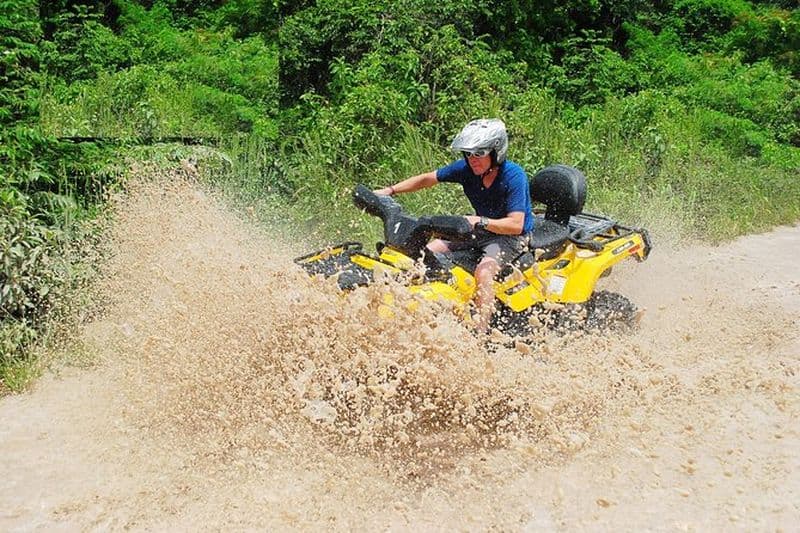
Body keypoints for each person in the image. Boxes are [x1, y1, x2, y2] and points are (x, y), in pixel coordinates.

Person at [374, 118, 534, 333]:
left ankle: (480, 332)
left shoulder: (514, 176)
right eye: (468, 154)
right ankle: (399, 306)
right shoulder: (467, 169)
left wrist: (481, 221)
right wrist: (390, 191)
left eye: (479, 153)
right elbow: (427, 179)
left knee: (484, 273)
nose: (472, 160)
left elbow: (516, 224)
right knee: (423, 254)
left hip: (509, 237)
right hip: (479, 231)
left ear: (496, 152)